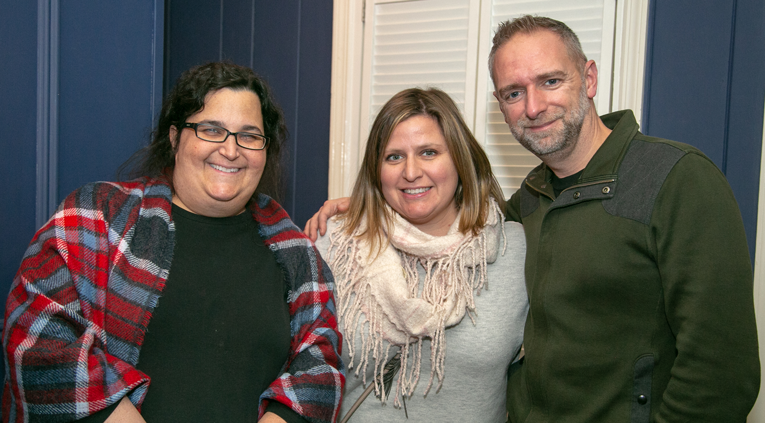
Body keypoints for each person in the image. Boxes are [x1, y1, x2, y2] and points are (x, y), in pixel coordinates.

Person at [305, 15, 760, 422]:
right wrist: (366, 207)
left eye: (551, 81)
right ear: (500, 104)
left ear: (589, 78)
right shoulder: (525, 206)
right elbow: (448, 220)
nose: (534, 106)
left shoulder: (676, 180)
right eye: (514, 93)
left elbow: (721, 371)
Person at [3, 62, 343, 423]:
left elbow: (320, 369)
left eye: (249, 136)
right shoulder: (95, 217)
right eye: (211, 130)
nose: (231, 150)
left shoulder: (298, 254)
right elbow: (37, 339)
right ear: (175, 137)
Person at [312, 88, 527, 422]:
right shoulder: (336, 245)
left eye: (429, 152)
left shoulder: (513, 249)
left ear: (460, 159)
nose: (411, 172)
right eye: (393, 157)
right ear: (376, 169)